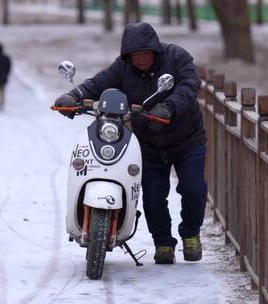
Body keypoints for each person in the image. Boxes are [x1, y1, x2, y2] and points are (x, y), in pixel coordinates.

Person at [54, 22, 207, 264]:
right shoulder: (123, 67)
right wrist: (75, 95)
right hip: (148, 143)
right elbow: (99, 82)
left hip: (187, 140)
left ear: (155, 50)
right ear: (128, 55)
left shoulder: (177, 57)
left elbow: (189, 86)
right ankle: (163, 243)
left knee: (193, 189)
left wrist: (169, 106)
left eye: (145, 53)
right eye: (135, 55)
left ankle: (191, 234)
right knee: (154, 197)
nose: (141, 59)